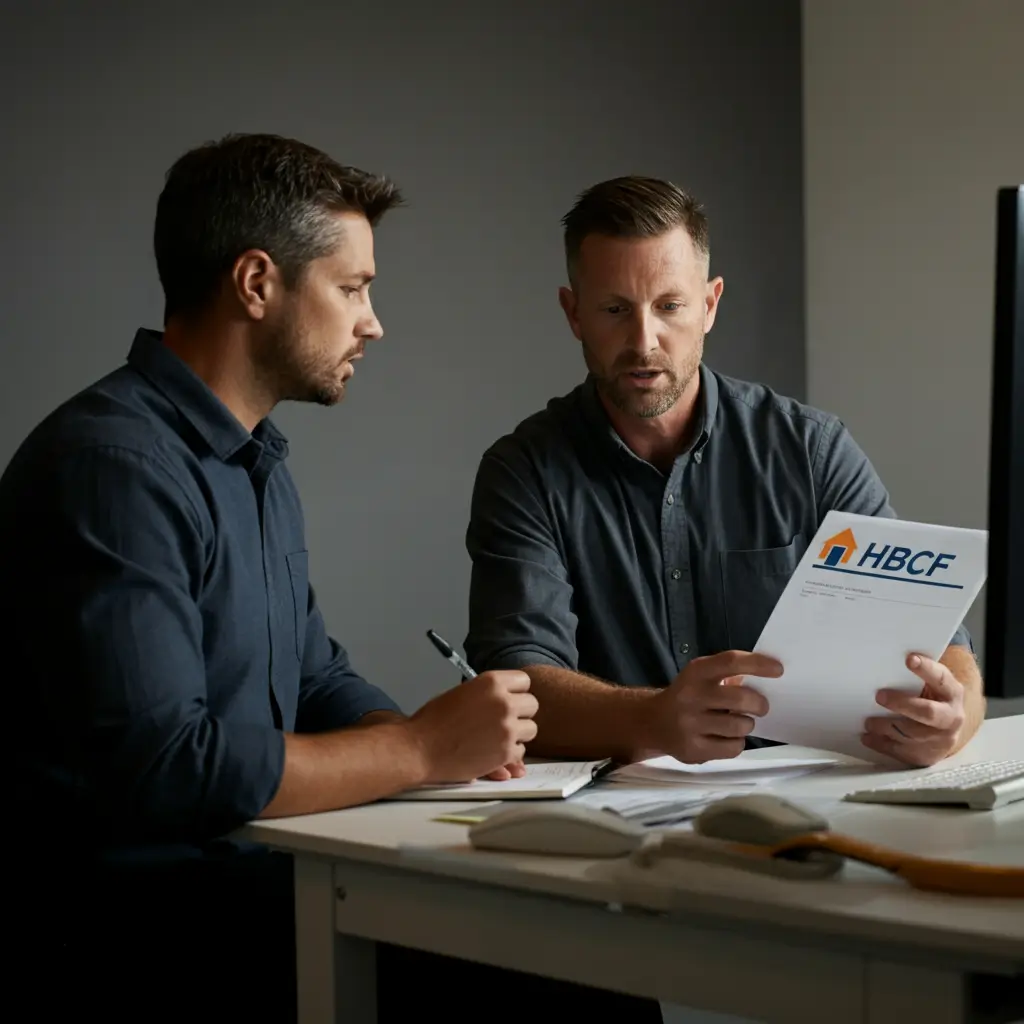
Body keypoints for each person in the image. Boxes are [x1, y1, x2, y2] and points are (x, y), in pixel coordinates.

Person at [2, 133, 541, 1021]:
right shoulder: (111, 466)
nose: (373, 321)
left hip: (244, 886)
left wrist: (440, 752)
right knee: (553, 979)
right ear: (257, 283)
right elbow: (170, 770)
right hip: (133, 930)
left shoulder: (252, 461)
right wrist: (415, 752)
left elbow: (309, 670)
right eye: (353, 287)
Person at [465, 175, 984, 776]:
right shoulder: (523, 472)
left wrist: (957, 718)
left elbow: (934, 633)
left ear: (709, 305)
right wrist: (652, 718)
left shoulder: (811, 450)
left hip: (812, 796)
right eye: (614, 310)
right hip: (626, 808)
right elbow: (518, 680)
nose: (643, 340)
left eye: (669, 306)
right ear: (573, 313)